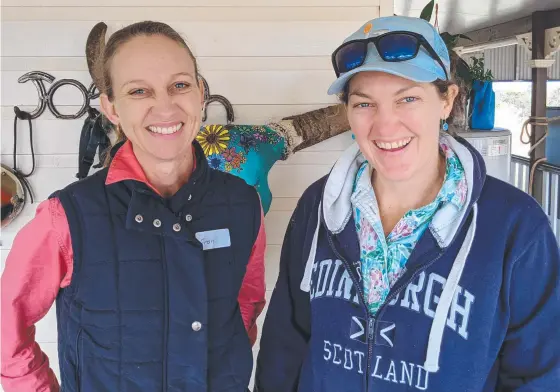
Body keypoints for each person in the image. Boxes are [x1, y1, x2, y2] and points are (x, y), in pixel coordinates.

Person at [255, 15, 560, 392]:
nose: (385, 126)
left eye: (408, 99)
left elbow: (539, 376)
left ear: (447, 100)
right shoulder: (319, 205)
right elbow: (285, 345)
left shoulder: (515, 226)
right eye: (365, 104)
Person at [1, 21, 266, 392]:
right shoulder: (67, 217)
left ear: (201, 93)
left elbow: (245, 303)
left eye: (180, 85)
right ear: (111, 108)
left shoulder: (242, 203)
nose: (165, 106)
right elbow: (5, 327)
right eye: (139, 91)